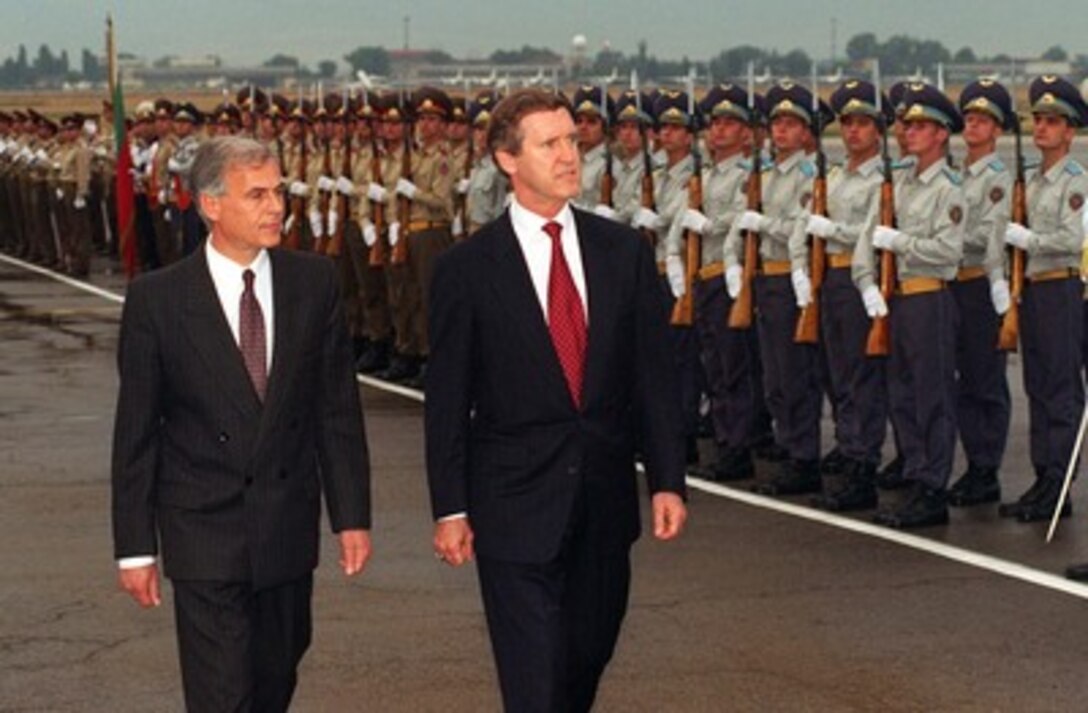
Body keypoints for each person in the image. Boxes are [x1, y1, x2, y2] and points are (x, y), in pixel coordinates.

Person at [425, 88, 687, 712]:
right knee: (533, 680)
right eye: (551, 144)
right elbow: (447, 397)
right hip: (513, 503)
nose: (570, 155)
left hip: (602, 498)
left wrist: (669, 480)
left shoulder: (622, 252)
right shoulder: (469, 268)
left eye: (572, 140)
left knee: (583, 658)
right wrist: (451, 506)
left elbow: (653, 376)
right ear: (508, 160)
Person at [111, 136, 372, 712]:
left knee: (273, 680)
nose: (275, 207)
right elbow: (136, 434)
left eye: (278, 192)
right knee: (222, 694)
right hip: (202, 531)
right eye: (255, 195)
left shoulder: (313, 282)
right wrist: (135, 548)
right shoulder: (158, 300)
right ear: (210, 205)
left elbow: (336, 409)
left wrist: (351, 515)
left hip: (285, 525)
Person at [855, 83, 966, 528]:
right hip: (894, 301)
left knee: (931, 395)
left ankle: (932, 487)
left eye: (920, 126)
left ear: (942, 134)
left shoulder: (948, 188)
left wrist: (900, 241)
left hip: (928, 298)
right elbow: (866, 237)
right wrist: (866, 282)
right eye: (906, 126)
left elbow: (949, 252)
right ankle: (915, 471)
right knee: (901, 394)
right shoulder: (895, 181)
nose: (908, 133)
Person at [999, 75, 1088, 525]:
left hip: (1061, 288)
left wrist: (1030, 239)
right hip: (1033, 291)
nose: (1041, 129)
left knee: (1060, 388)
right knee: (1037, 387)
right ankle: (1042, 475)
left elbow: (1073, 240)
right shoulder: (1030, 182)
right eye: (1038, 120)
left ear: (1070, 132)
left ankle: (1060, 482)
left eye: (1052, 122)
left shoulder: (1076, 182)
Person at [805, 79, 893, 511]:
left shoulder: (884, 179)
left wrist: (833, 231)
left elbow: (873, 232)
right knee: (836, 373)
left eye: (863, 124)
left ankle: (863, 462)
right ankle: (848, 445)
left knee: (861, 378)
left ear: (878, 130)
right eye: (847, 123)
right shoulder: (836, 175)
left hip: (861, 281)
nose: (853, 132)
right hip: (831, 280)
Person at [946, 79, 1015, 507]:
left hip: (979, 285)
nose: (973, 126)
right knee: (959, 380)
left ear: (999, 129)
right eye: (969, 118)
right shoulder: (957, 176)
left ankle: (985, 468)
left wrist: (943, 237)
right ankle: (974, 462)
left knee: (983, 379)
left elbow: (988, 236)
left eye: (983, 120)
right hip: (952, 282)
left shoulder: (997, 180)